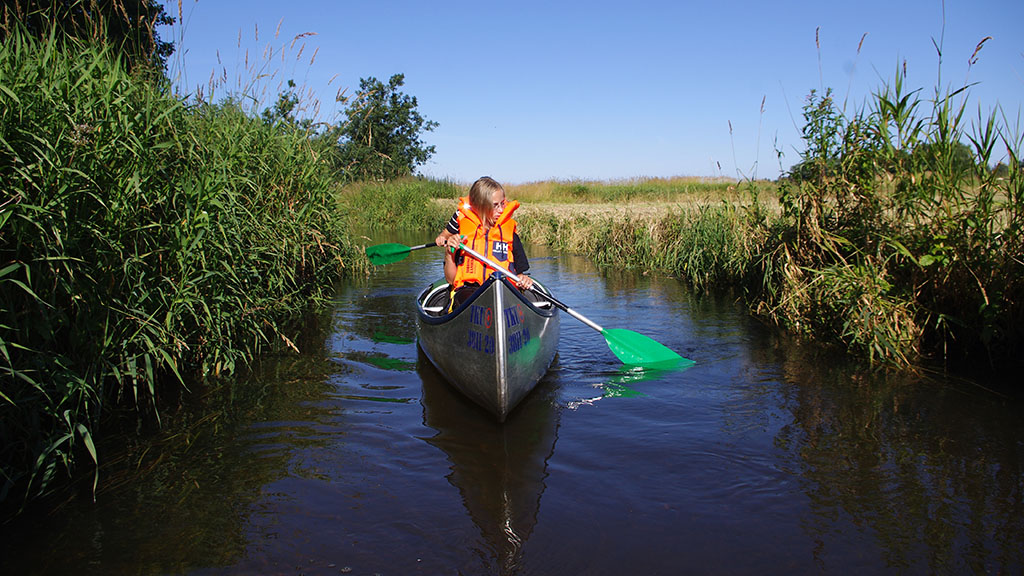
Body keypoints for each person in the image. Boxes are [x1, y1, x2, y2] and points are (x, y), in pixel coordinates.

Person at [435, 176, 534, 310]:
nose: (501, 210)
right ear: (480, 206)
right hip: (469, 292)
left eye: (502, 204)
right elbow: (451, 280)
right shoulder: (461, 235)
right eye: (495, 206)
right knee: (467, 300)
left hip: (504, 291)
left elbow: (521, 274)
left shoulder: (510, 235)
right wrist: (448, 253)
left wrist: (524, 280)